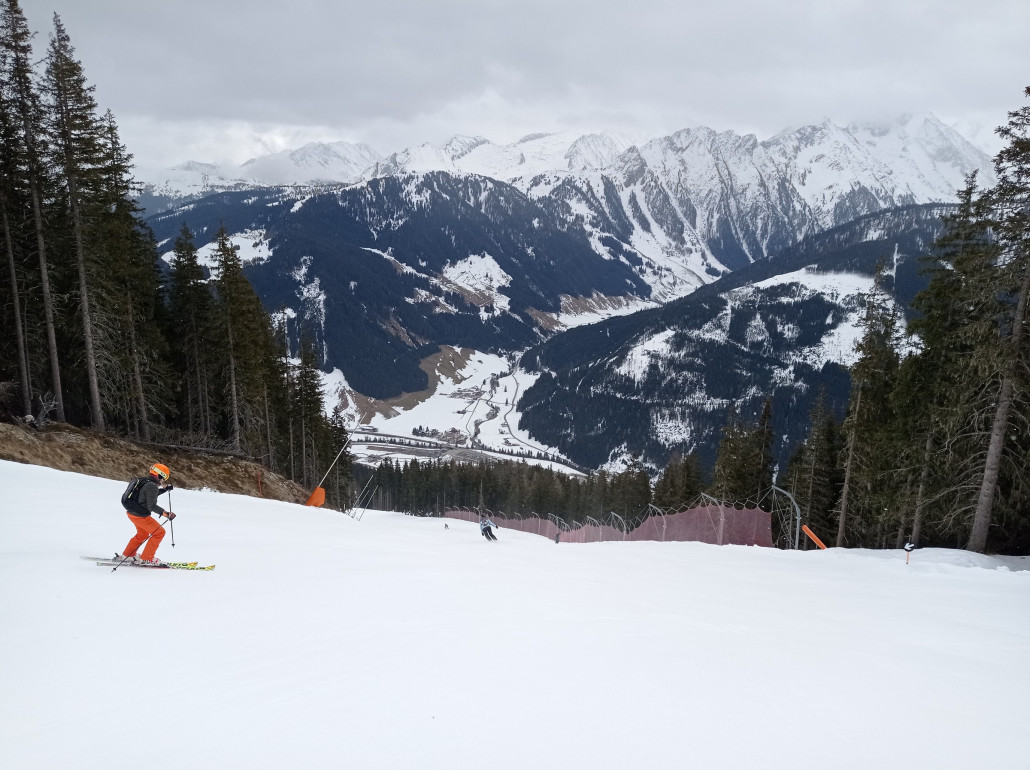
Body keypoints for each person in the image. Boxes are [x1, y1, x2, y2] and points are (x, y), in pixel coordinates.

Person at [120, 463, 176, 566]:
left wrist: (164, 489)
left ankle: (127, 555)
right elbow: (152, 506)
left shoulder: (145, 481)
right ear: (159, 475)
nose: (162, 481)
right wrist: (166, 514)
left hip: (132, 512)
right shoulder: (152, 486)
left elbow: (148, 495)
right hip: (140, 516)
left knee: (142, 534)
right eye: (163, 478)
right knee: (159, 532)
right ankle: (147, 558)